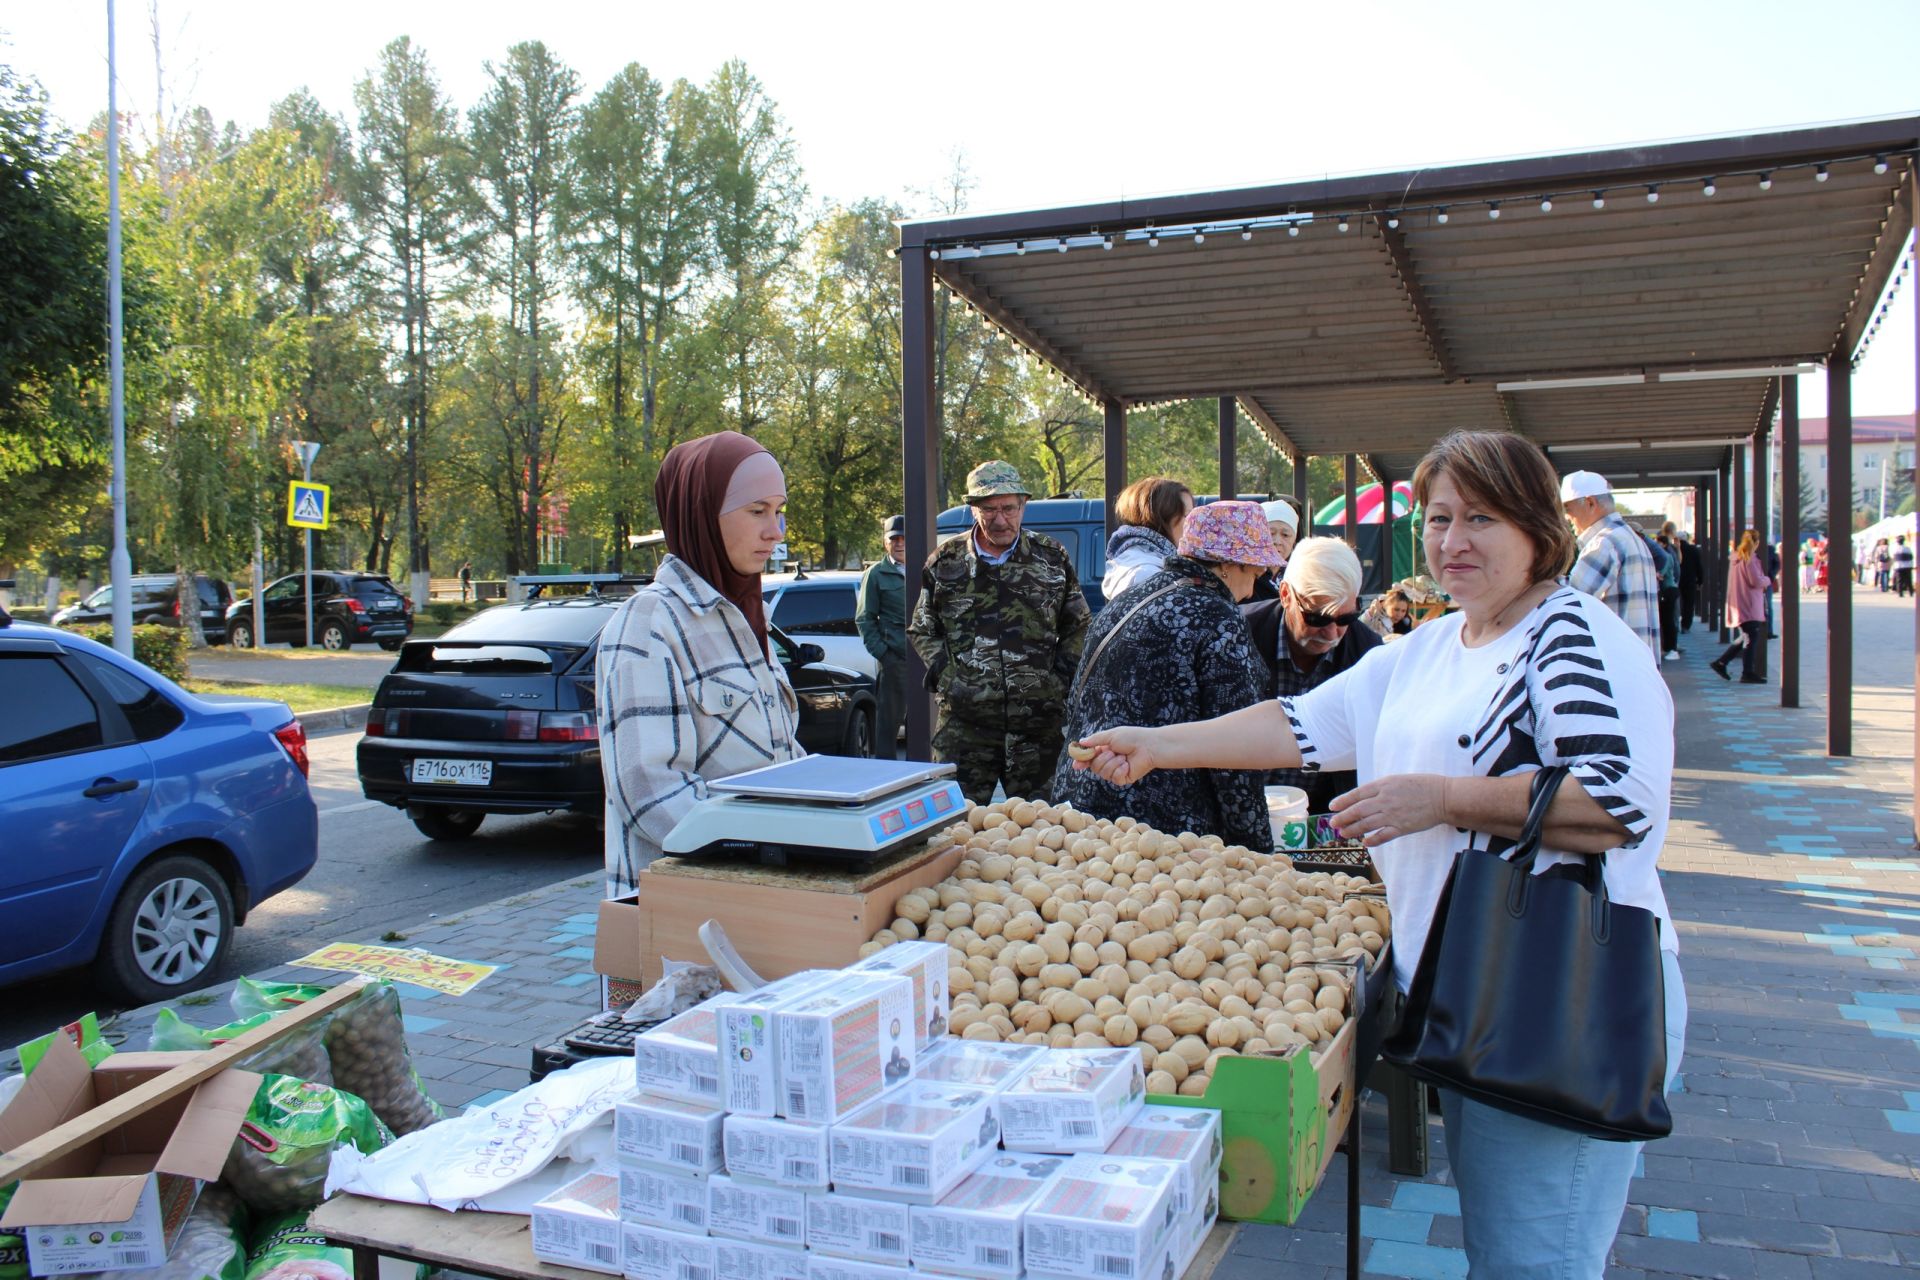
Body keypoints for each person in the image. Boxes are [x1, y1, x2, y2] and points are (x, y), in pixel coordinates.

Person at [1071, 428, 1683, 1278]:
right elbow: (1302, 725)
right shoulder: (1432, 645)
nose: (1452, 541)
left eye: (1482, 519)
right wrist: (1158, 745)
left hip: (1559, 991)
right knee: (1501, 1250)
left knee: (1534, 1261)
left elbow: (1622, 799)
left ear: (1542, 530)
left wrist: (1439, 797)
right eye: (1438, 518)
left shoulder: (1571, 636)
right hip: (1477, 988)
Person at [595, 431, 804, 897]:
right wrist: (779, 849)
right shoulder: (649, 624)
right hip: (681, 913)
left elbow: (779, 759)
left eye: (779, 509)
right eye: (757, 511)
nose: (776, 531)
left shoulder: (749, 617)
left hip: (767, 899)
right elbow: (651, 794)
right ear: (702, 515)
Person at [1050, 501, 1281, 851]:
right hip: (1162, 828)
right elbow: (1234, 746)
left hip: (1082, 804)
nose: (1252, 589)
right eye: (1255, 573)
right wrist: (1256, 846)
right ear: (1231, 565)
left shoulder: (1129, 599)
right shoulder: (1216, 615)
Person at [909, 460, 1091, 804]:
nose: (1001, 519)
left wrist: (1058, 681)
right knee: (955, 827)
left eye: (1009, 508)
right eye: (989, 509)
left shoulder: (1051, 557)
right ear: (973, 509)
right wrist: (951, 680)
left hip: (1037, 726)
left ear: (1022, 506)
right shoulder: (945, 562)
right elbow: (923, 628)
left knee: (1046, 830)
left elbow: (1079, 625)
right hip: (966, 728)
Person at [1242, 537, 1381, 814]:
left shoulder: (1368, 653)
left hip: (1324, 818)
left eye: (1345, 619)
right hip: (1239, 811)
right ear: (1285, 595)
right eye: (1317, 618)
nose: (1332, 633)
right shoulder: (1238, 633)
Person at [1561, 470, 1661, 657]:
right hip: (1638, 664)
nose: (1567, 517)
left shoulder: (1605, 543)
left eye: (1568, 509)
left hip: (1617, 664)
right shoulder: (1628, 538)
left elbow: (1568, 600)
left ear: (1590, 503)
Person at [857, 515, 909, 756]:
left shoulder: (926, 566)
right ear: (885, 542)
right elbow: (865, 619)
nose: (899, 543)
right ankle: (886, 775)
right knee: (888, 726)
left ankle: (928, 777)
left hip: (926, 658)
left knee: (926, 723)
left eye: (904, 538)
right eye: (894, 539)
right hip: (895, 660)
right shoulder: (876, 574)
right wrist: (884, 655)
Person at [1101, 476, 1194, 600]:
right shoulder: (1146, 574)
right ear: (1160, 517)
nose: (1193, 524)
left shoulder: (1139, 563)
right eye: (1187, 516)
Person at [1710, 530, 1772, 685]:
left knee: (1746, 636)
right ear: (1756, 543)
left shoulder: (1736, 559)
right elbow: (1756, 581)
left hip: (1739, 603)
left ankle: (1722, 663)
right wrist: (1767, 580)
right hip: (1749, 604)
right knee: (1751, 638)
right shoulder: (1750, 559)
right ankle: (1746, 672)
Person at [1244, 499, 1301, 602]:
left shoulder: (1298, 576)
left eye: (1285, 535)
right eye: (1271, 533)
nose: (1277, 541)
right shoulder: (1245, 575)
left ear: (1294, 540)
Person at [1653, 530, 1682, 660]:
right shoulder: (1667, 555)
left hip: (1669, 590)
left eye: (1658, 543)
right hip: (1670, 590)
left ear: (1664, 544)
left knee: (1669, 621)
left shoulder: (1666, 557)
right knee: (1667, 620)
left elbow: (1660, 574)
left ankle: (1672, 649)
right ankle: (1670, 648)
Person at [1676, 530, 1703, 633]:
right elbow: (1699, 566)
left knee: (1678, 602)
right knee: (1689, 603)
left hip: (1677, 579)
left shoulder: (1674, 549)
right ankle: (1686, 626)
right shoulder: (1693, 549)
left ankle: (1675, 623)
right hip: (1690, 580)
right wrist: (1700, 580)